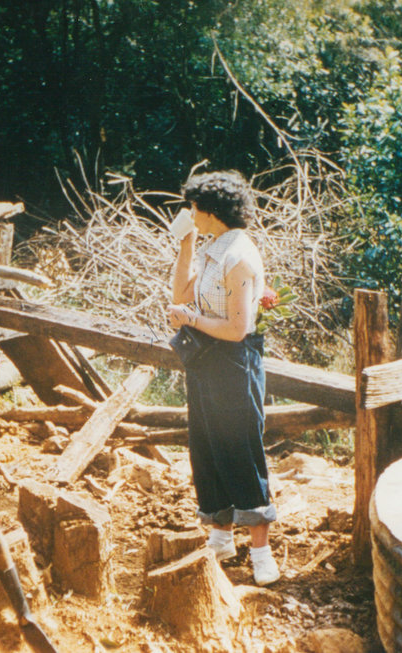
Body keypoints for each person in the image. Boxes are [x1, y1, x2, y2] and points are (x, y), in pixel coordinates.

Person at [166, 170, 280, 586]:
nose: (189, 214)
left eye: (193, 209)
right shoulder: (212, 247)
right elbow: (181, 294)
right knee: (206, 444)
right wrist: (184, 243)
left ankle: (262, 552)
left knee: (241, 449)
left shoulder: (239, 257)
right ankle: (220, 535)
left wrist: (191, 319)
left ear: (210, 211)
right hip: (204, 362)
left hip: (233, 361)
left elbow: (238, 328)